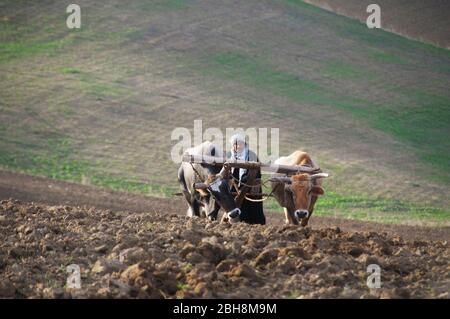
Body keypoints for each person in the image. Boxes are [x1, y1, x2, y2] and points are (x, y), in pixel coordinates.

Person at [227, 133, 266, 225]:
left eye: (239, 143)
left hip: (250, 187)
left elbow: (255, 173)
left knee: (254, 210)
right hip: (235, 189)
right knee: (237, 207)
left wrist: (244, 183)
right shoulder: (231, 156)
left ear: (244, 144)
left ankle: (256, 224)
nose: (237, 146)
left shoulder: (251, 155)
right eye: (235, 144)